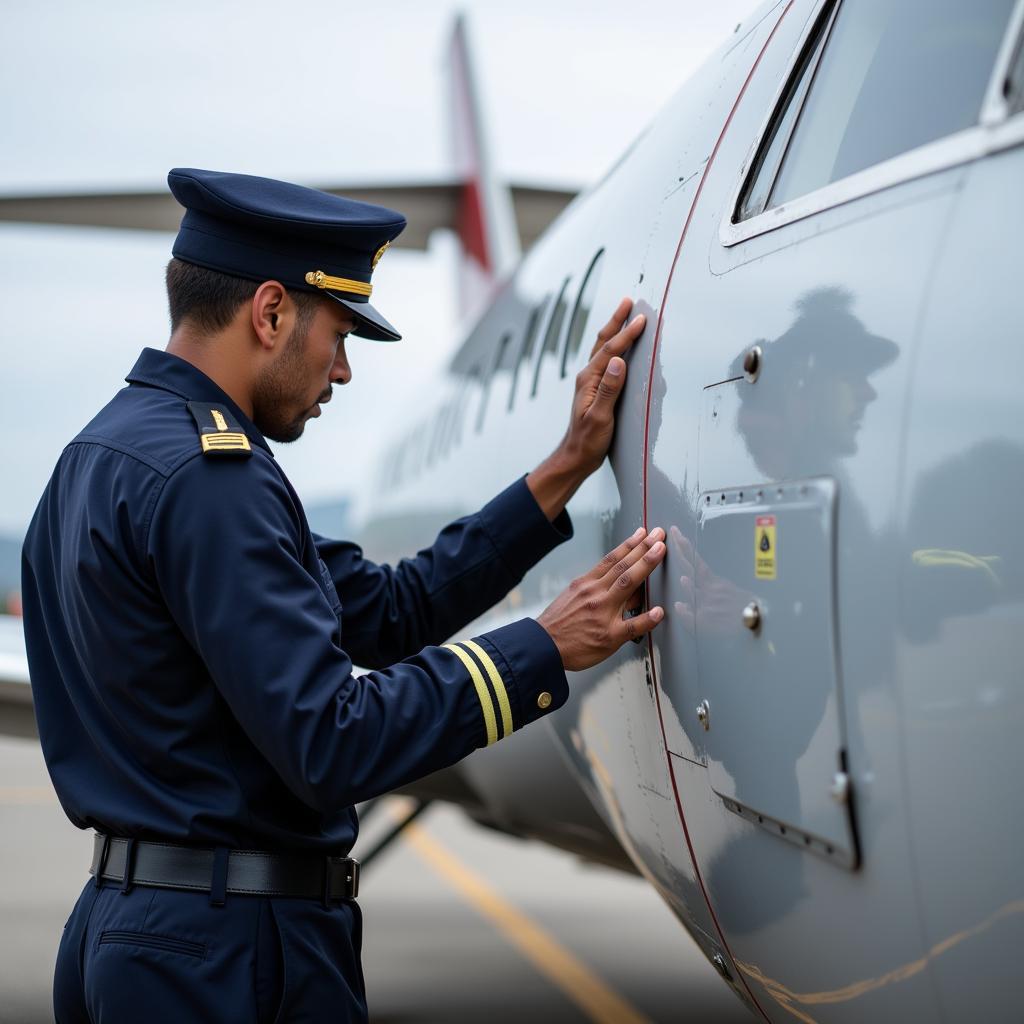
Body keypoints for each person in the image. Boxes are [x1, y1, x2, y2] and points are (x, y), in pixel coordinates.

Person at [21, 168, 667, 1023]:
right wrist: (543, 646)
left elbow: (389, 610)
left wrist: (563, 470)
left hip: (137, 933)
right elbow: (332, 745)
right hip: (224, 956)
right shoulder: (214, 482)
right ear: (271, 313)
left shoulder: (98, 460)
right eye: (340, 333)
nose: (345, 371)